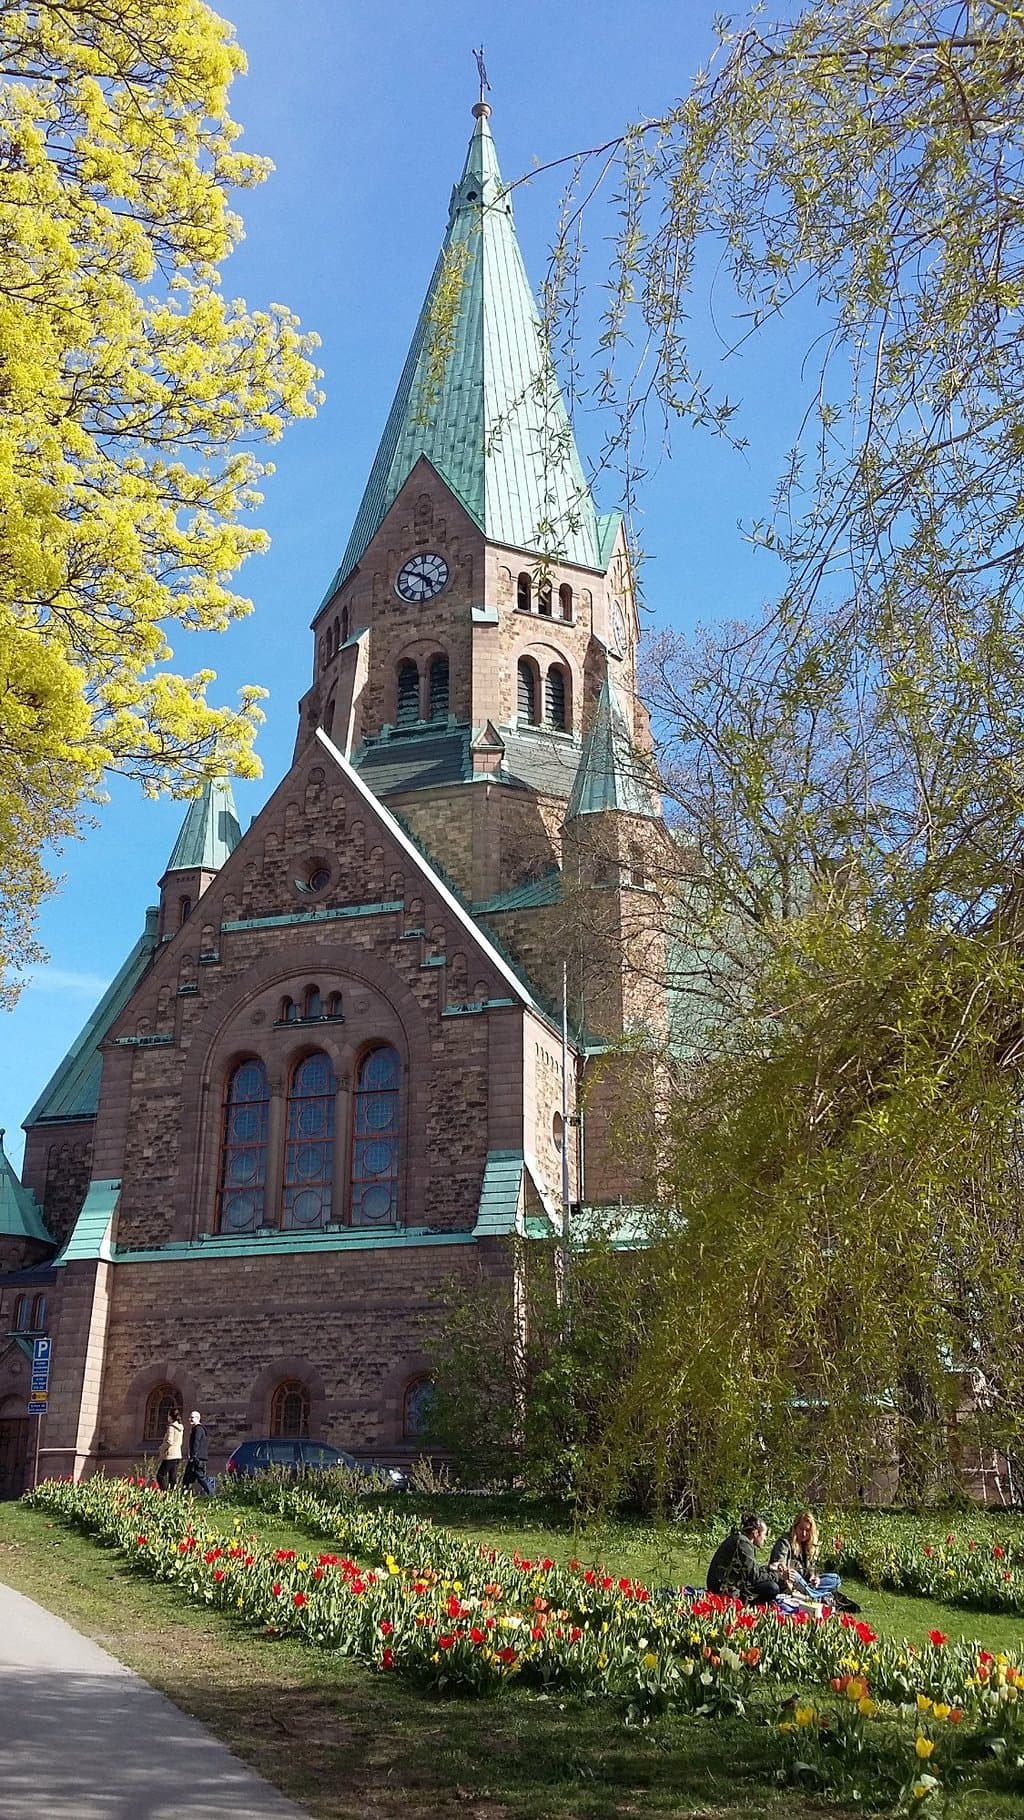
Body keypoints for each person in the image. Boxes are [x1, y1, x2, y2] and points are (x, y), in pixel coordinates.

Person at [770, 1510, 855, 1609]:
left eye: (807, 1530)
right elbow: (778, 1565)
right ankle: (817, 1597)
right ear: (795, 1527)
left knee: (835, 1579)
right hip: (789, 1583)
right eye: (801, 1529)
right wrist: (785, 1571)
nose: (804, 1533)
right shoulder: (785, 1543)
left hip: (805, 1584)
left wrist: (814, 1577)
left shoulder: (808, 1546)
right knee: (794, 1574)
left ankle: (813, 1596)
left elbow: (810, 1569)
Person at [707, 1512, 793, 1605]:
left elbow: (749, 1571)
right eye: (764, 1534)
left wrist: (769, 1568)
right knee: (772, 1587)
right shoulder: (744, 1544)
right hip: (723, 1589)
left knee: (772, 1585)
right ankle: (750, 1606)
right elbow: (754, 1577)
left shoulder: (741, 1540)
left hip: (727, 1584)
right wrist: (778, 1577)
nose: (765, 1538)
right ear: (756, 1533)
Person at [155, 1407, 183, 1491]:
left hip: (170, 1454)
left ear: (170, 1416)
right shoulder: (180, 1428)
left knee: (160, 1475)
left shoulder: (171, 1427)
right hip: (177, 1454)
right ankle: (172, 1494)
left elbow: (169, 1441)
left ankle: (164, 1493)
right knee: (172, 1476)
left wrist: (161, 1447)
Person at [182, 1410, 210, 1495]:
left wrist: (193, 1455)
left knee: (199, 1476)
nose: (190, 1419)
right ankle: (183, 1493)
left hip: (197, 1457)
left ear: (197, 1418)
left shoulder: (198, 1429)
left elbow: (196, 1442)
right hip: (198, 1457)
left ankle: (209, 1492)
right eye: (190, 1417)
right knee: (188, 1476)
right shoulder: (197, 1429)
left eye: (192, 1417)